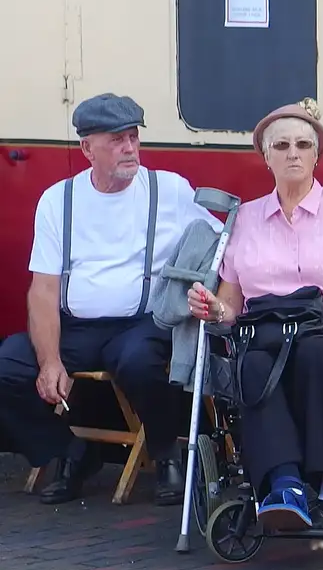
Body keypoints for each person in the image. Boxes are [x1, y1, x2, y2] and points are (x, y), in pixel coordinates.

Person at [185, 100, 323, 532]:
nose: (293, 153)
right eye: (281, 146)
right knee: (255, 363)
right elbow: (231, 304)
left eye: (303, 144)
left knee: (314, 353)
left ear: (318, 154)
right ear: (266, 157)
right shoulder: (244, 218)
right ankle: (285, 486)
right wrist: (212, 307)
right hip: (265, 340)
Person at [0, 93, 215, 505]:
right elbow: (43, 288)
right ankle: (70, 452)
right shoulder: (58, 200)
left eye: (133, 137)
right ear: (86, 148)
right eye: (116, 140)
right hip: (77, 326)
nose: (130, 148)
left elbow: (221, 244)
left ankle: (166, 454)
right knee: (8, 366)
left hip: (140, 322)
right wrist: (50, 360)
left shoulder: (169, 190)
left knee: (141, 362)